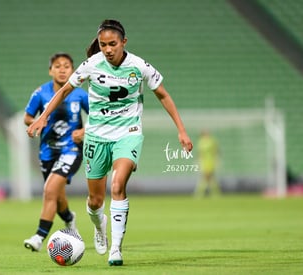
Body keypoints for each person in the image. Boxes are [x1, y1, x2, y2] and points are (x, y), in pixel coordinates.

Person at [27, 19, 193, 266]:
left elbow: (163, 95)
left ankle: (116, 249)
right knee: (95, 202)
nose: (107, 49)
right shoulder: (92, 65)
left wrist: (181, 130)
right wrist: (43, 118)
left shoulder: (139, 66)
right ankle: (99, 225)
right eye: (103, 44)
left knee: (117, 186)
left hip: (128, 133)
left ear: (123, 42)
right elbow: (63, 91)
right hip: (96, 136)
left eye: (112, 44)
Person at [23, 52, 89, 252]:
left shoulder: (80, 94)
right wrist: (38, 123)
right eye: (58, 66)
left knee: (50, 190)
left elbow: (98, 117)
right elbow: (27, 117)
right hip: (48, 152)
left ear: (73, 70)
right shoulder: (40, 93)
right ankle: (69, 219)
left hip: (72, 150)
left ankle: (39, 237)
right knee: (57, 195)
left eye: (67, 66)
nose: (62, 69)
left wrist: (84, 131)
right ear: (50, 70)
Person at [195, 130, 220, 197]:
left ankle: (200, 193)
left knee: (209, 178)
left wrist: (216, 160)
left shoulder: (212, 141)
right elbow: (200, 153)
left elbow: (215, 151)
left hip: (211, 161)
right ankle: (214, 193)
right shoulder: (201, 142)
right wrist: (199, 161)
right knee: (207, 178)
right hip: (204, 162)